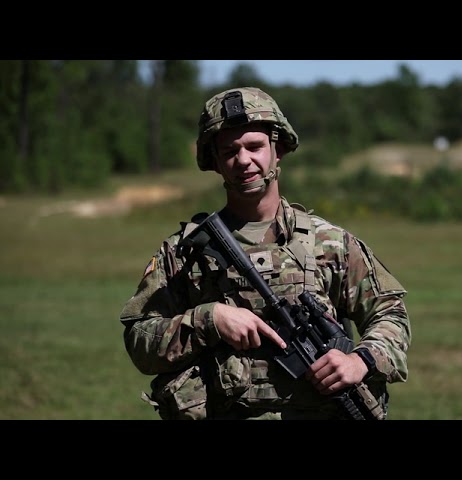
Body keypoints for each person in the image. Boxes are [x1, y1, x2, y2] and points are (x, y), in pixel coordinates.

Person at [119, 86, 411, 420]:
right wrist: (207, 319)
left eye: (255, 146)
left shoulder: (329, 243)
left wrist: (360, 360)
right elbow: (140, 341)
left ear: (278, 150)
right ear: (214, 160)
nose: (243, 160)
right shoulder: (185, 253)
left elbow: (390, 312)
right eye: (230, 150)